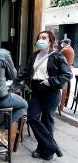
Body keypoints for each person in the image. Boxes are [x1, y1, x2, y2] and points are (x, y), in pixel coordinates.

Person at [26, 30, 72, 160]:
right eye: (39, 38)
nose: (41, 40)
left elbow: (68, 74)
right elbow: (27, 72)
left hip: (51, 92)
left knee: (47, 119)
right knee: (32, 117)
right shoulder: (34, 55)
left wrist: (51, 81)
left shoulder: (57, 56)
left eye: (44, 38)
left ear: (51, 41)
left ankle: (45, 150)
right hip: (36, 90)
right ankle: (52, 146)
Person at [59, 38, 75, 111]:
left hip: (64, 70)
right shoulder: (71, 49)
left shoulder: (65, 50)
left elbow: (57, 56)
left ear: (66, 43)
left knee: (63, 88)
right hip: (68, 69)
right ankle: (62, 106)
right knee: (65, 88)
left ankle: (61, 106)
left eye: (63, 43)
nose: (62, 44)